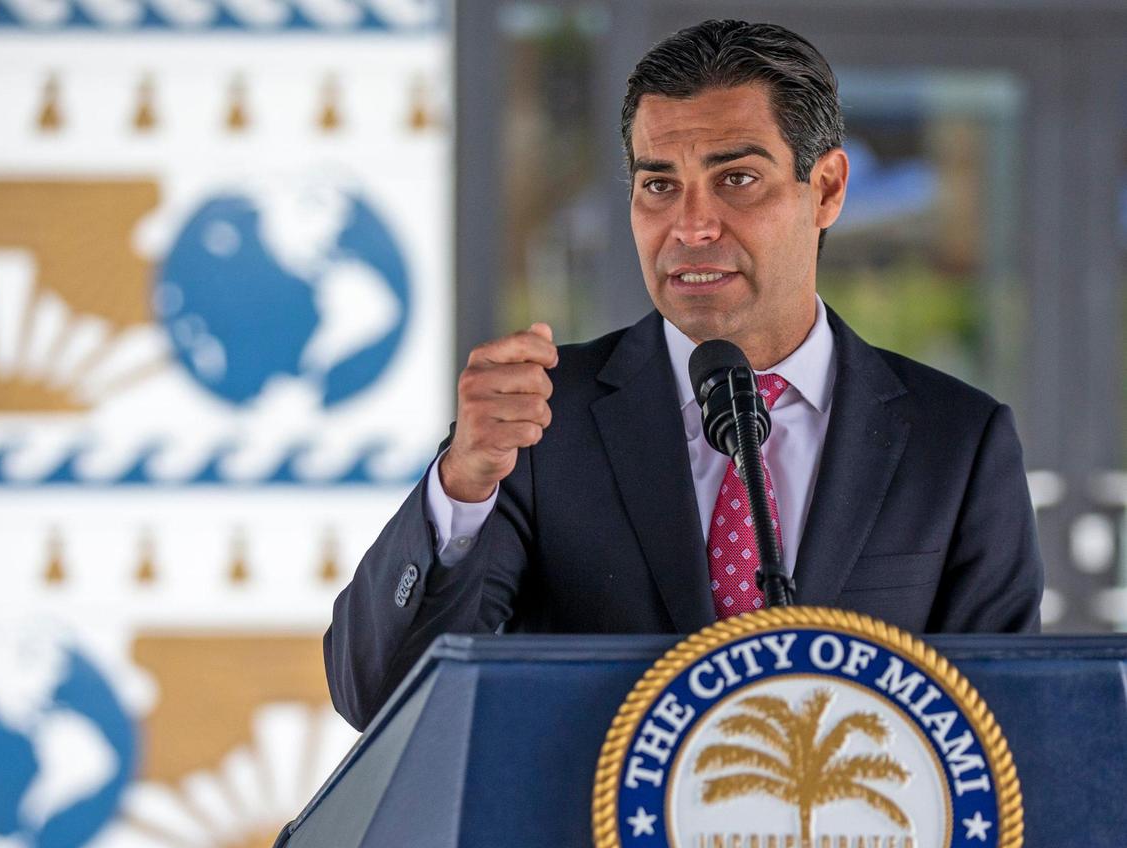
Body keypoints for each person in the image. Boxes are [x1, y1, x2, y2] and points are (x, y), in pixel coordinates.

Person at [325, 19, 1043, 731]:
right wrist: (461, 486)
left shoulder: (958, 443)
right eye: (659, 185)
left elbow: (1005, 736)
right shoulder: (541, 424)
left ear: (825, 188)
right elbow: (380, 699)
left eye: (736, 179)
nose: (692, 226)